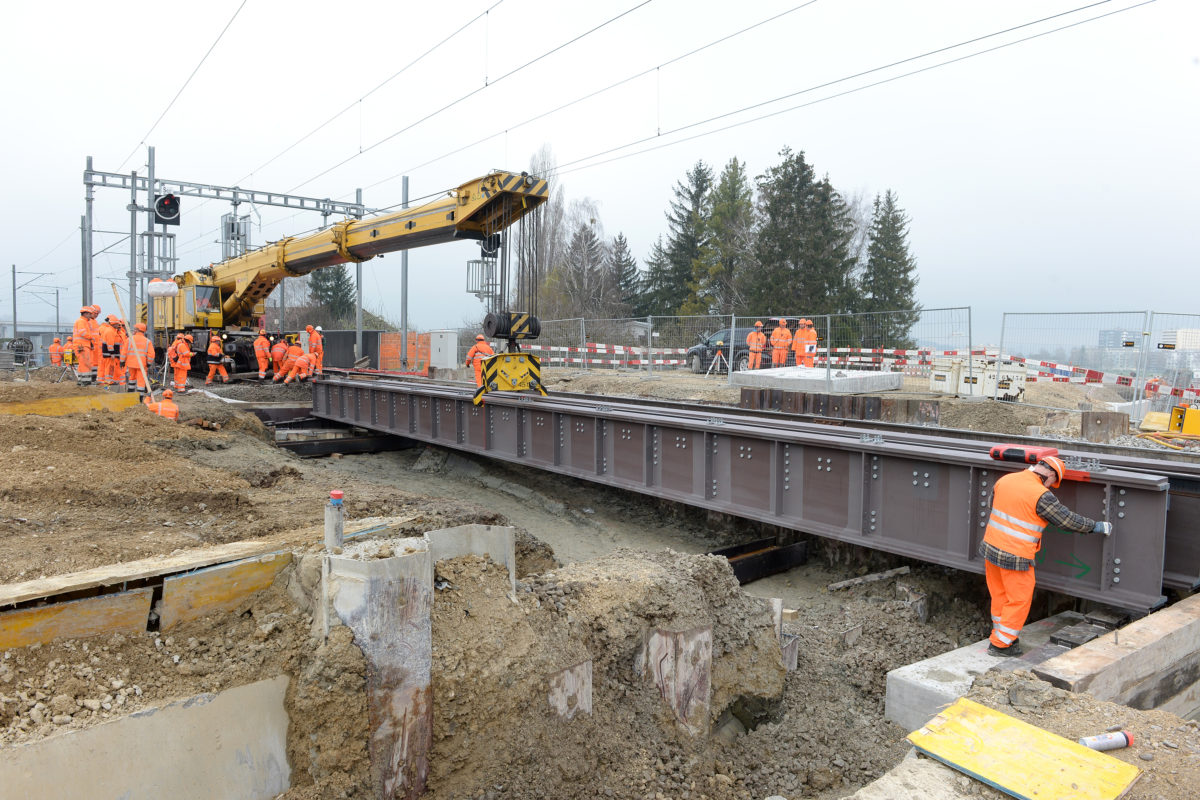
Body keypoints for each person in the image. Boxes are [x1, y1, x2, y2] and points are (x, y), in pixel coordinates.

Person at [978, 456, 1111, 657]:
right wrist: (1095, 526)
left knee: (1000, 595)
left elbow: (993, 506)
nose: (1051, 486)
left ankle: (1001, 634)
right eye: (1053, 482)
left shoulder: (1006, 480)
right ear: (1050, 474)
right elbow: (1066, 520)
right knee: (1019, 600)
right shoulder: (1041, 495)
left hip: (990, 549)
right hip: (1016, 556)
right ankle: (1001, 645)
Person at [126, 323, 155, 395]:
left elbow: (124, 351)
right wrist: (148, 363)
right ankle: (140, 397)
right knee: (141, 380)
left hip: (131, 364)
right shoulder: (147, 341)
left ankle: (130, 394)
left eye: (134, 329)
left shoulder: (129, 339)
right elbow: (151, 354)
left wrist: (122, 361)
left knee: (132, 378)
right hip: (142, 365)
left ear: (137, 330)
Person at [72, 306, 97, 385]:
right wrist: (92, 337)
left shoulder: (84, 321)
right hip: (81, 346)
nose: (91, 316)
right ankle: (86, 381)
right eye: (90, 314)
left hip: (82, 345)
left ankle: (81, 380)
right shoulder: (81, 321)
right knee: (85, 363)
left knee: (83, 363)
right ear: (85, 314)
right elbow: (82, 332)